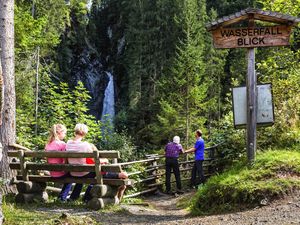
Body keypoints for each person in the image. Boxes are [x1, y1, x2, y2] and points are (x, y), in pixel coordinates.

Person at [66, 124, 128, 203]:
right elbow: (95, 160)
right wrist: (105, 160)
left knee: (89, 173)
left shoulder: (68, 143)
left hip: (72, 172)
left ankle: (73, 198)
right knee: (99, 171)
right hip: (83, 173)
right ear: (85, 133)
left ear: (75, 131)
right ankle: (87, 198)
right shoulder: (85, 145)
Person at [45, 124, 72, 201]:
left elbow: (47, 160)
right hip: (60, 173)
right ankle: (62, 197)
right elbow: (65, 160)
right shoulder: (62, 144)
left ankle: (61, 197)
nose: (65, 135)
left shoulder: (48, 144)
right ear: (59, 132)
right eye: (64, 133)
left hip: (52, 173)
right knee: (72, 176)